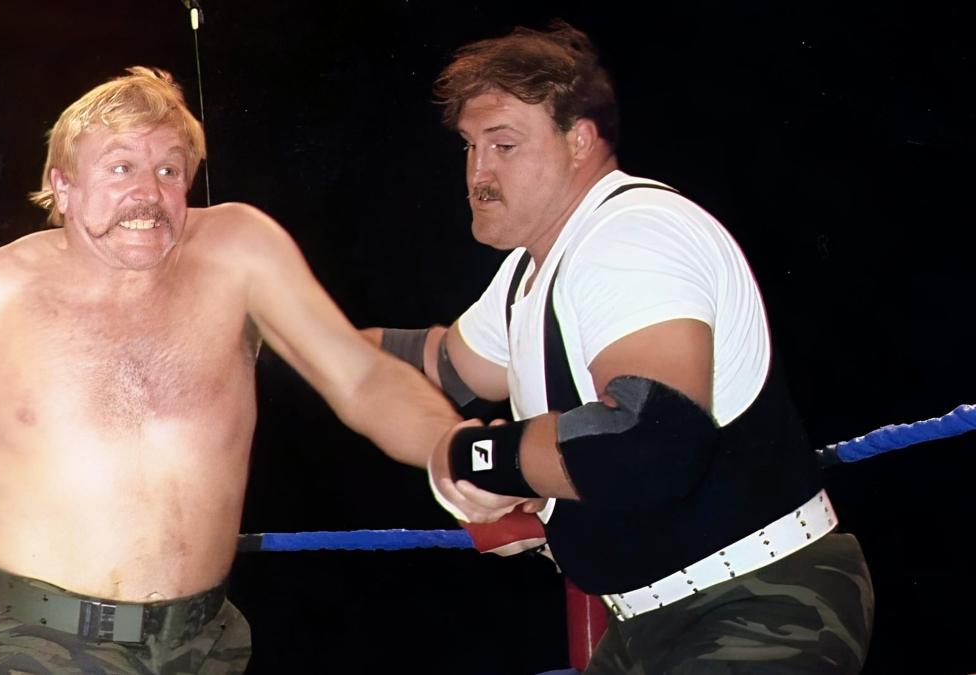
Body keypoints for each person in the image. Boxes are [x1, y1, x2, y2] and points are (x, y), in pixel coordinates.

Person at [0, 66, 461, 674]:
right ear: (61, 185)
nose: (148, 194)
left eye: (170, 170)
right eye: (121, 167)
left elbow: (360, 376)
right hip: (39, 643)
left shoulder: (241, 252)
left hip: (205, 641)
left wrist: (463, 453)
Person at [372, 21, 875, 673]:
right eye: (471, 147)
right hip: (648, 623)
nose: (479, 172)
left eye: (504, 145)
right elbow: (444, 365)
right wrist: (280, 332)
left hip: (760, 602)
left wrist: (474, 455)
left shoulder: (633, 238)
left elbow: (648, 439)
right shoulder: (534, 268)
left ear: (579, 140)